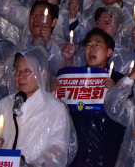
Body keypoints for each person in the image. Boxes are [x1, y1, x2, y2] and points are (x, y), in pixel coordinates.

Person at [0, 47, 75, 166]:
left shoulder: (55, 107)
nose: (20, 76)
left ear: (41, 73)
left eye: (27, 71)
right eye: (17, 70)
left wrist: (34, 165)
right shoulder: (4, 104)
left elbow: (58, 149)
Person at [53, 27, 126, 167]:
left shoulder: (120, 82)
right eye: (88, 45)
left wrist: (116, 96)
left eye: (97, 45)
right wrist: (54, 94)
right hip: (75, 156)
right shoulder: (71, 77)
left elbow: (126, 118)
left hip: (106, 156)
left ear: (109, 52)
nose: (91, 49)